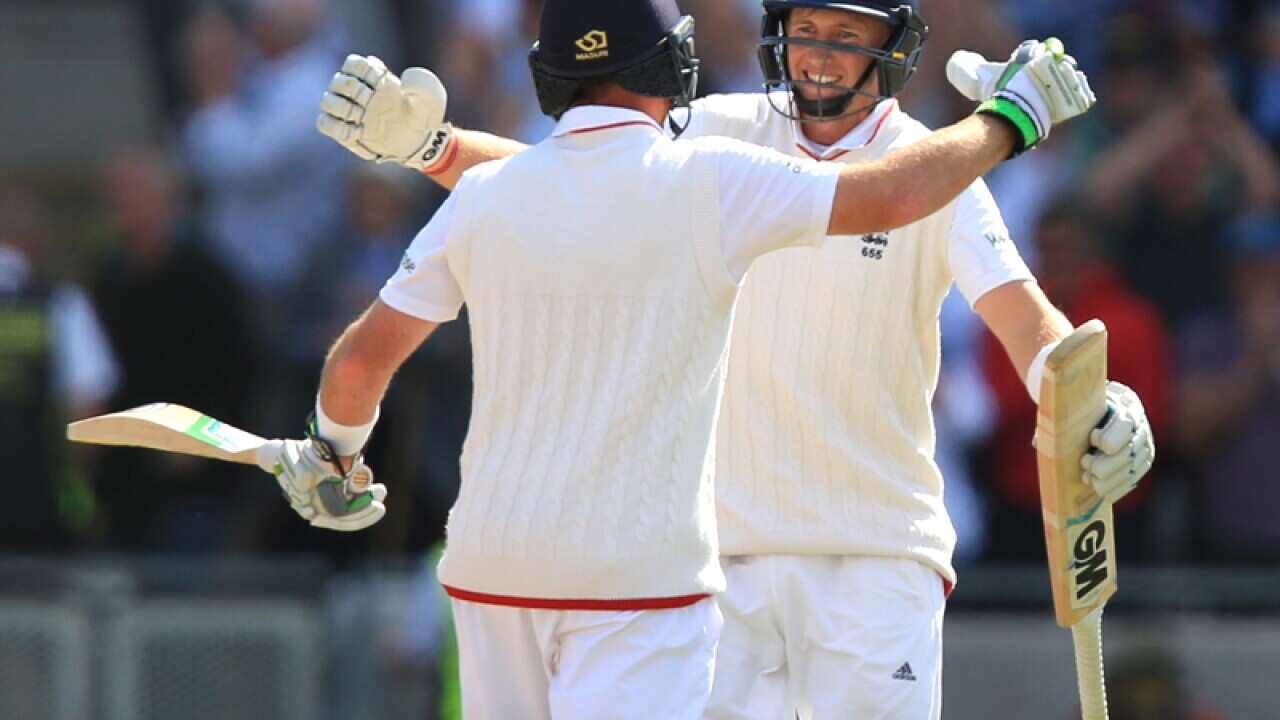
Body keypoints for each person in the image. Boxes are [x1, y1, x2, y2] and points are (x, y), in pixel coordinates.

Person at [283, 0, 1093, 716]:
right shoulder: (717, 134)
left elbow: (1027, 323)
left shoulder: (940, 166)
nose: (817, 56)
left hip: (874, 551)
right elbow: (576, 174)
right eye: (805, 30)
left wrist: (1089, 401)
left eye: (847, 36)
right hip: (721, 559)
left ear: (895, 44)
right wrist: (434, 144)